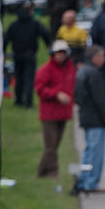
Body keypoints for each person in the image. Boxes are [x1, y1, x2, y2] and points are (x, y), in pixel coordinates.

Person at [72, 44, 105, 195]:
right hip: (96, 119)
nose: (104, 59)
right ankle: (90, 183)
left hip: (86, 116)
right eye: (102, 56)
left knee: (88, 151)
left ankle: (83, 179)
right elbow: (100, 100)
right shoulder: (94, 74)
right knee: (96, 153)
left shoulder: (82, 71)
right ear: (95, 57)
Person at [34, 40, 75, 178]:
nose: (61, 56)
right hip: (49, 113)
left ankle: (42, 171)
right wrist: (56, 94)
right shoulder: (45, 70)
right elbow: (40, 89)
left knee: (55, 145)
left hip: (63, 113)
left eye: (63, 53)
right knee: (50, 146)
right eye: (58, 53)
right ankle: (52, 171)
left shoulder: (70, 68)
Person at [4, 2, 51, 109]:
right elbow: (45, 35)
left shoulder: (14, 25)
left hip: (17, 55)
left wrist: (3, 52)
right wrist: (49, 46)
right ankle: (28, 102)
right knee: (29, 79)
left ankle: (19, 100)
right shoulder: (34, 24)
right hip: (30, 54)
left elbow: (6, 39)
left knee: (18, 78)